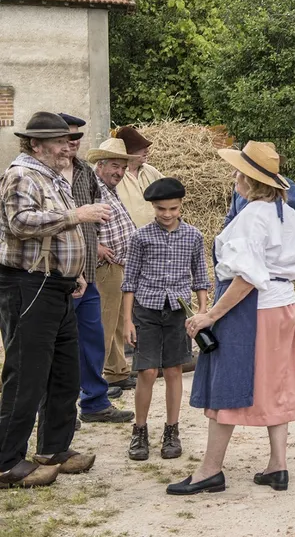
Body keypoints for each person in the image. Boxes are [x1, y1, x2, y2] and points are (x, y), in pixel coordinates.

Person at [175, 141, 295, 496]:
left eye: (238, 171)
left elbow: (248, 276)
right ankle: (277, 466)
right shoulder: (288, 214)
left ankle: (209, 471)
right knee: (277, 382)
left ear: (250, 179)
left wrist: (211, 315)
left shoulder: (252, 215)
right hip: (283, 306)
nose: (234, 175)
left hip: (252, 309)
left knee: (226, 384)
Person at [0, 112, 111, 487]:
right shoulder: (21, 175)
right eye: (60, 140)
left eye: (67, 140)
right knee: (26, 373)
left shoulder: (49, 175)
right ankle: (5, 462)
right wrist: (77, 214)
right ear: (36, 144)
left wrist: (74, 272)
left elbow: (57, 234)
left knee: (64, 372)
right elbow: (20, 223)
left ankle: (53, 449)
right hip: (28, 286)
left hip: (55, 284)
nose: (68, 145)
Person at [121, 178, 210, 461]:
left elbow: (201, 277)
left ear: (181, 205)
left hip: (178, 313)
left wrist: (203, 312)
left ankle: (172, 430)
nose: (167, 214)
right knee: (146, 371)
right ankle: (140, 429)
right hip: (146, 310)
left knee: (173, 370)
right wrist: (127, 321)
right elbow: (129, 282)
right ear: (153, 207)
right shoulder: (140, 237)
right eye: (161, 209)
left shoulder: (194, 236)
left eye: (173, 208)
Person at [56, 114, 133, 425]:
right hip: (62, 272)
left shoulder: (85, 174)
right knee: (63, 344)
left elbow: (96, 216)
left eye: (77, 137)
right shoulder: (40, 175)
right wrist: (95, 247)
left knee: (91, 340)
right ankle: (58, 410)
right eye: (67, 137)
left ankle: (94, 402)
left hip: (87, 272)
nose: (73, 142)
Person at [89, 138, 140, 394]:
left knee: (118, 321)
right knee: (105, 323)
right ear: (101, 165)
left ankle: (117, 371)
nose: (118, 173)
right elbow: (81, 219)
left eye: (122, 168)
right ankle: (95, 381)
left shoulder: (109, 188)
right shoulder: (92, 187)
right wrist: (95, 246)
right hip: (105, 265)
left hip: (120, 263)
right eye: (114, 166)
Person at [225, 145, 295, 226]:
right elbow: (231, 217)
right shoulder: (240, 188)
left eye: (239, 170)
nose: (233, 174)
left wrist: (293, 222)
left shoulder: (279, 186)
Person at [114, 125, 163, 229]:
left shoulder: (149, 171)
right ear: (129, 151)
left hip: (157, 236)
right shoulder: (115, 176)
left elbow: (170, 192)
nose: (147, 151)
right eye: (141, 148)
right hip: (128, 240)